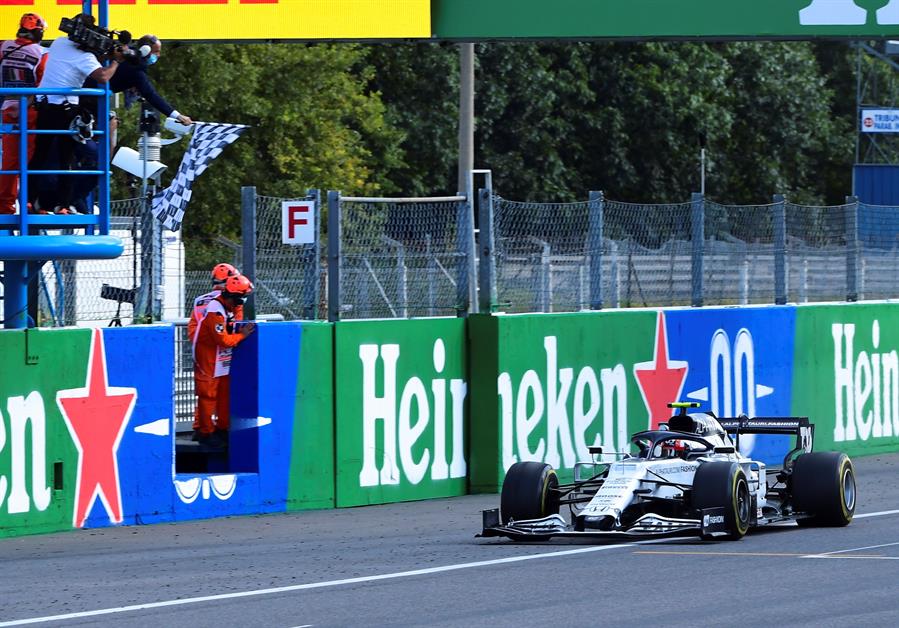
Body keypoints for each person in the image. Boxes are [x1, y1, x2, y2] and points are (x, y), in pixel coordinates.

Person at [28, 13, 124, 215]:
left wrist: (102, 52)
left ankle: (30, 201)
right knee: (67, 159)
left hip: (44, 106)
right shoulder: (86, 58)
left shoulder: (59, 42)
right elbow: (103, 77)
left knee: (40, 155)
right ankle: (62, 205)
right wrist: (116, 61)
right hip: (66, 112)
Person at [191, 273, 255, 448]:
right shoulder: (215, 310)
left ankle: (222, 428)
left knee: (224, 392)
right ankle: (205, 432)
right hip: (208, 355)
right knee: (208, 394)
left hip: (221, 355)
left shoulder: (229, 307)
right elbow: (223, 340)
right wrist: (242, 335)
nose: (242, 302)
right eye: (242, 298)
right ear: (233, 296)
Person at [0, 13, 48, 214]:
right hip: (29, 111)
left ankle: (5, 206)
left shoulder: (3, 46)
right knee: (30, 160)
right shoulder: (42, 54)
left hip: (6, 109)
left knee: (9, 161)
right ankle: (29, 202)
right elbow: (42, 86)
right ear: (38, 32)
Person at [187, 262, 240, 437]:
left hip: (205, 351)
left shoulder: (200, 300)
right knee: (221, 392)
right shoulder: (231, 301)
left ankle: (201, 426)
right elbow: (235, 327)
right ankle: (215, 429)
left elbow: (193, 330)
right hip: (222, 349)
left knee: (206, 393)